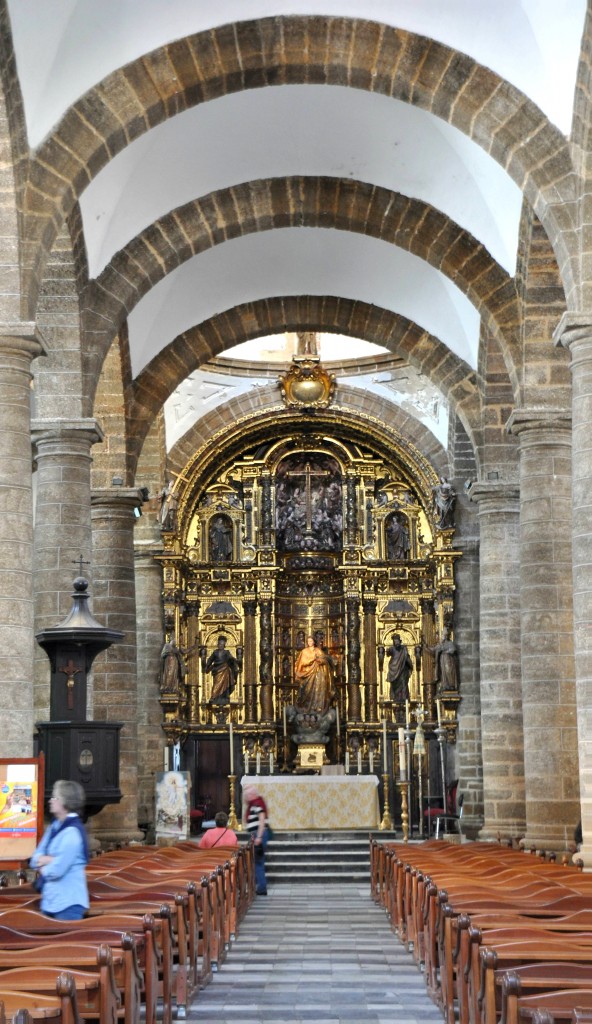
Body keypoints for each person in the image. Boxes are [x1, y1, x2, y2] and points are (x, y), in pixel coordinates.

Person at [29, 779, 89, 920]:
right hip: (50, 901)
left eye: (54, 797)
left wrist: (44, 864)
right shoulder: (54, 827)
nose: (50, 801)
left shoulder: (72, 832)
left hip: (68, 903)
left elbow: (56, 870)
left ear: (64, 802)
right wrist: (49, 860)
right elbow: (34, 859)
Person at [294, 635, 334, 715]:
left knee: (319, 690)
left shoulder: (318, 650)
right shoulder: (304, 651)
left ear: (314, 642)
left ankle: (317, 708)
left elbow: (325, 661)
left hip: (318, 675)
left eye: (311, 641)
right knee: (306, 692)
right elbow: (302, 663)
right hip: (307, 675)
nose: (310, 643)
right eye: (308, 641)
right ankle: (305, 708)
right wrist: (313, 660)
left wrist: (320, 661)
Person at [243, 784, 270, 895]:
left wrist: (259, 837)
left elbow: (262, 820)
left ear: (253, 794)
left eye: (248, 794)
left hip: (259, 835)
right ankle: (258, 885)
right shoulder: (253, 804)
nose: (247, 797)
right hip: (256, 835)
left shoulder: (258, 804)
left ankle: (262, 887)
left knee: (258, 862)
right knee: (257, 861)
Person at [206, 635, 239, 704]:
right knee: (216, 684)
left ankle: (225, 696)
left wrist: (236, 661)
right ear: (218, 644)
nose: (220, 645)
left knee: (225, 685)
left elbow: (231, 658)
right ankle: (213, 696)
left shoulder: (226, 652)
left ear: (224, 645)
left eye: (222, 644)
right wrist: (207, 666)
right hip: (217, 670)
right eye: (219, 644)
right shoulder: (215, 652)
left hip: (225, 670)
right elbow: (210, 659)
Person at [386, 634, 413, 702]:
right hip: (394, 670)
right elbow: (388, 653)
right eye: (395, 641)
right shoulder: (392, 648)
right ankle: (396, 698)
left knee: (404, 684)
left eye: (397, 641)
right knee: (395, 685)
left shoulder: (404, 648)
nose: (396, 642)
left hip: (403, 670)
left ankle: (404, 698)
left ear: (400, 641)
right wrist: (387, 651)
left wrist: (410, 666)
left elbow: (407, 657)